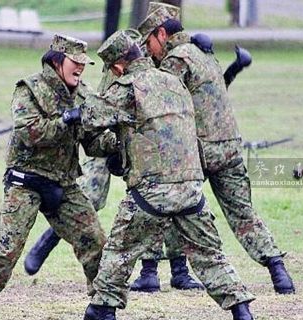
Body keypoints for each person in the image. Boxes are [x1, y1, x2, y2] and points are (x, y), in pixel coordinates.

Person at [79, 30, 257, 320]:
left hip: (152, 192)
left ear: (118, 68)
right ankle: (244, 318)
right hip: (191, 189)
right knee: (210, 254)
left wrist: (72, 111)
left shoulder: (128, 87)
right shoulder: (173, 81)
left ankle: (105, 317)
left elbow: (91, 117)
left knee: (119, 251)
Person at [0, 35, 126, 320]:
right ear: (57, 61)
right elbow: (29, 133)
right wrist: (67, 119)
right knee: (6, 251)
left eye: (84, 65)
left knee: (96, 242)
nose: (81, 69)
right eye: (75, 63)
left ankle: (103, 314)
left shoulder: (83, 96)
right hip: (26, 182)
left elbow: (92, 143)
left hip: (63, 185)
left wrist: (115, 141)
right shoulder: (29, 90)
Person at [24, 29, 203, 292]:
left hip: (138, 144)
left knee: (158, 198)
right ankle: (50, 240)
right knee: (95, 198)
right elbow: (96, 113)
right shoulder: (122, 66)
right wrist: (78, 122)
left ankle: (157, 272)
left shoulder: (165, 66)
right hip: (105, 128)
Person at [137, 2, 295, 294]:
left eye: (149, 43)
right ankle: (278, 272)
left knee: (171, 203)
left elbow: (158, 99)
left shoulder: (177, 59)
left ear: (161, 34)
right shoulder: (204, 54)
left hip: (199, 150)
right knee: (243, 214)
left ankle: (167, 271)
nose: (149, 51)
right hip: (230, 148)